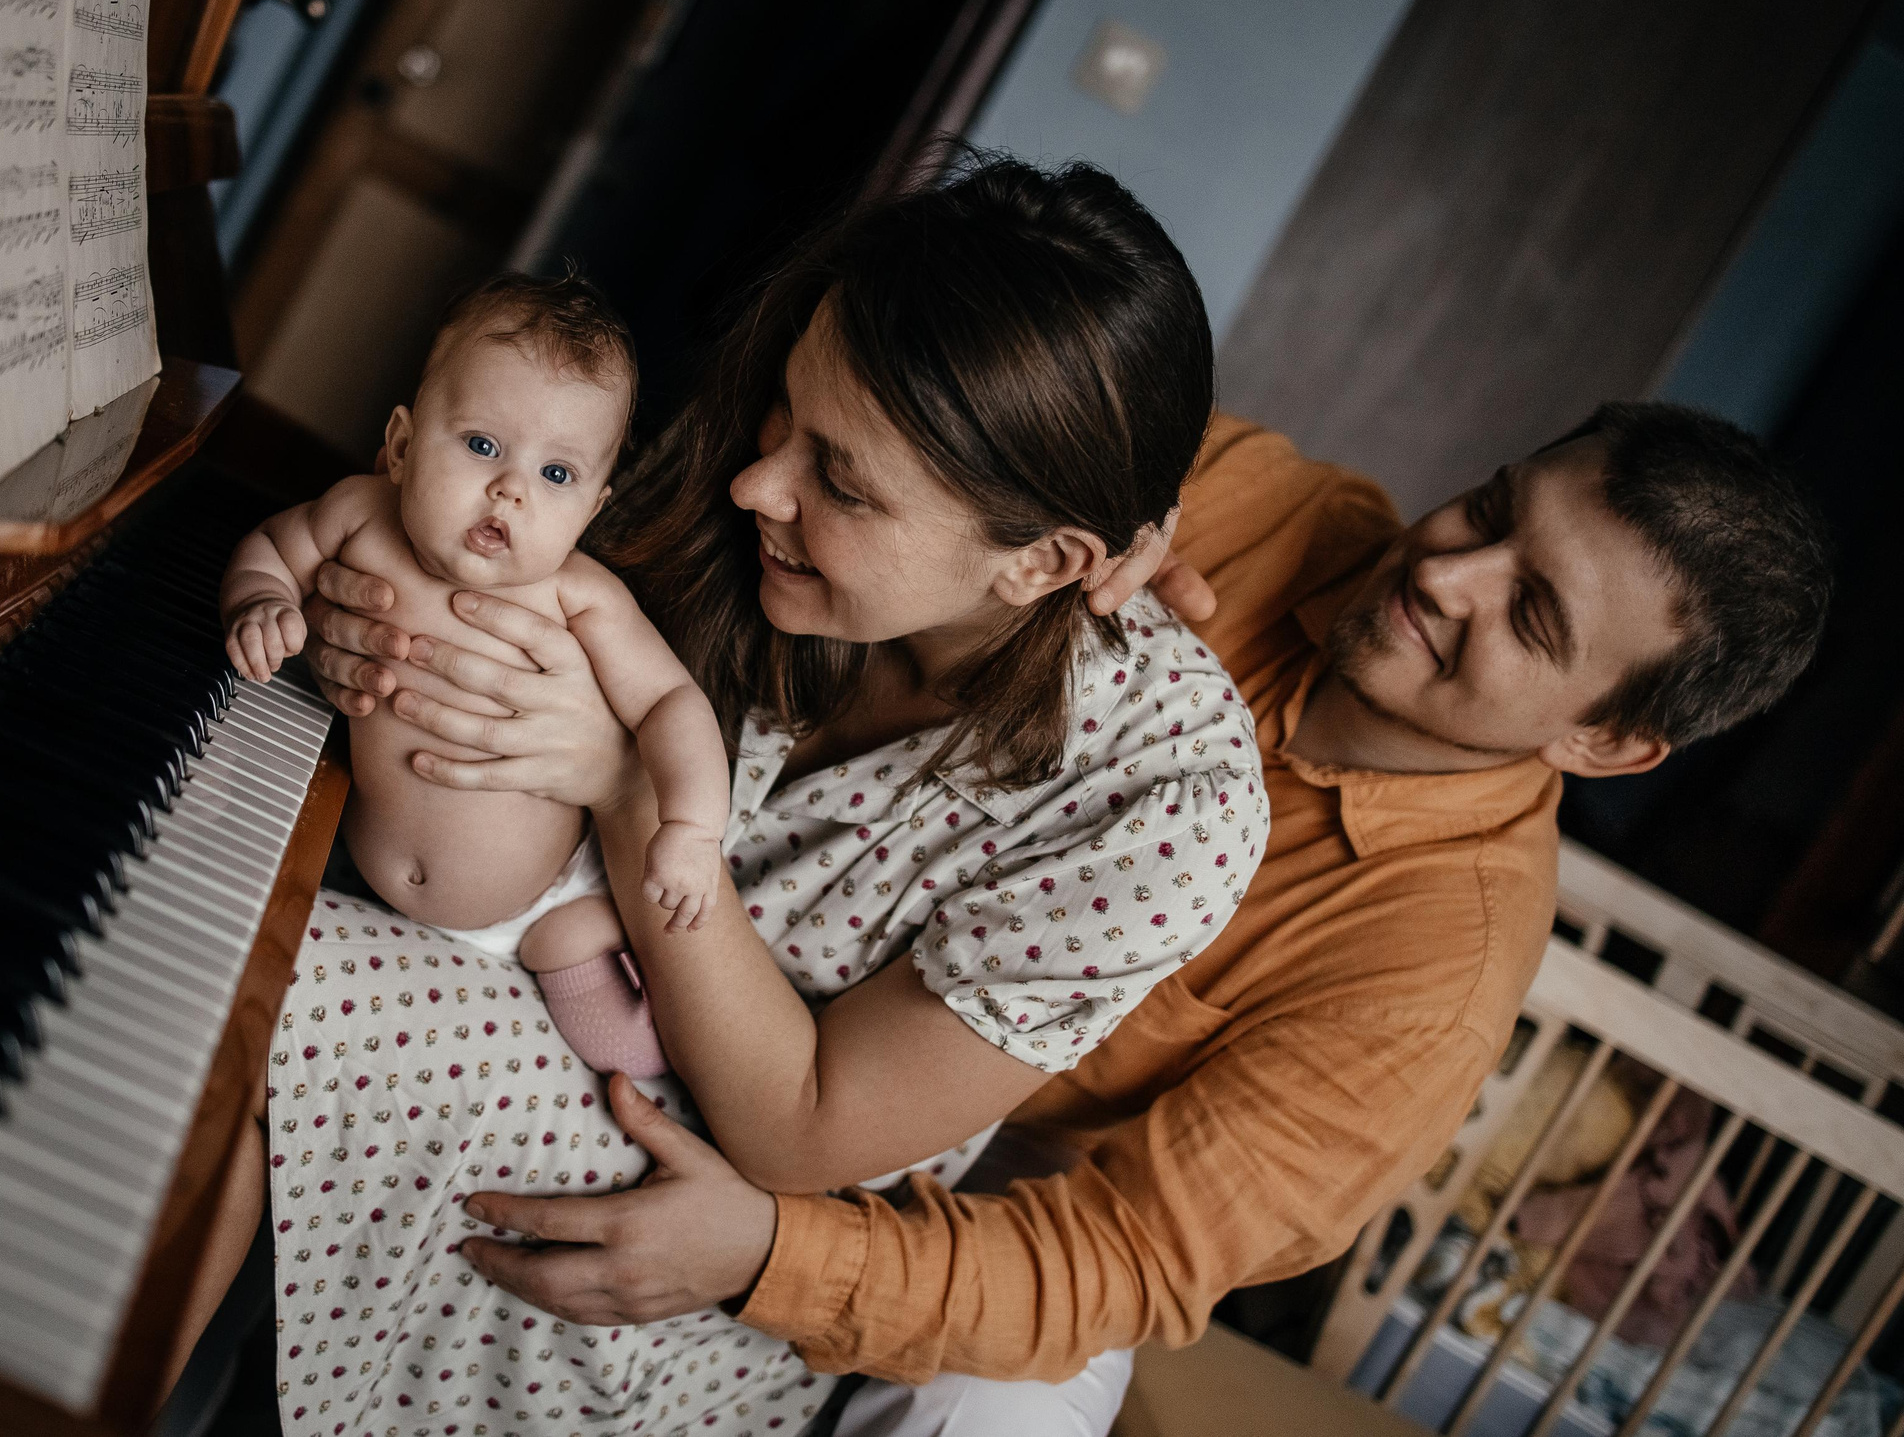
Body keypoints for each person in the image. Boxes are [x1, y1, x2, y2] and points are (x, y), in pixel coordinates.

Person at [309, 399, 1832, 1435]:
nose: (1447, 567)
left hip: (1001, 1181)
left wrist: (769, 1253)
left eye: (1533, 612)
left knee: (999, 1414)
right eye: (1493, 505)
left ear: (1609, 743)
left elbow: (1123, 1255)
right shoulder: (1238, 492)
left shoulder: (1434, 970)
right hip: (743, 888)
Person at [252, 155, 1266, 1436]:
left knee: (266, 987)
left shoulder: (1164, 807)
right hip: (510, 965)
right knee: (228, 930)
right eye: (782, 420)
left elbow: (799, 1131)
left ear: (1047, 562)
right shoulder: (768, 500)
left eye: (839, 482)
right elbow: (474, 572)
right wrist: (359, 622)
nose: (753, 486)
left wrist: (624, 782)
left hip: (702, 1214)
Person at [221, 273, 723, 1075]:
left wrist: (693, 829)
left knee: (623, 1050)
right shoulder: (358, 514)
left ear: (592, 508)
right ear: (402, 444)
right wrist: (261, 602)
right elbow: (271, 548)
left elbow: (671, 701)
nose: (511, 488)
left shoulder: (579, 597)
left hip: (543, 907)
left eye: (557, 475)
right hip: (360, 870)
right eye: (483, 444)